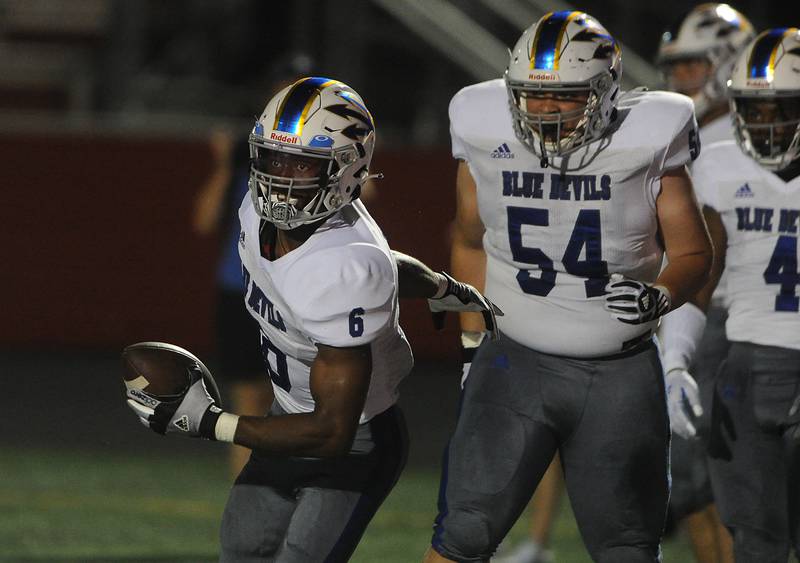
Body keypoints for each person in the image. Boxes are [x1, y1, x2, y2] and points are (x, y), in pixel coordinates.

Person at [126, 76, 499, 562]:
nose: (279, 178)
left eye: (301, 164)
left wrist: (211, 422)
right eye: (273, 158)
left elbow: (331, 432)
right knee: (240, 549)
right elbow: (389, 262)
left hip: (352, 443)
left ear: (347, 169)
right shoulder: (257, 212)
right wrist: (441, 287)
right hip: (288, 413)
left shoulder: (342, 264)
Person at [424, 11, 713, 563]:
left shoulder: (647, 135)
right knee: (461, 536)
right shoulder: (482, 125)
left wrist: (662, 294)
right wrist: (469, 346)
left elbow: (695, 252)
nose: (545, 110)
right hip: (512, 363)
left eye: (565, 97)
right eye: (531, 95)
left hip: (619, 375)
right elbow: (467, 240)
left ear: (606, 93)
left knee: (627, 548)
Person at [672, 27, 800, 562]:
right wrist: (674, 359)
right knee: (754, 540)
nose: (764, 123)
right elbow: (701, 274)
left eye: (778, 108)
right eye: (753, 108)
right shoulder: (721, 164)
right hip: (742, 367)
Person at [655, 5, 754, 562]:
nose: (681, 78)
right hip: (714, 313)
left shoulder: (721, 139)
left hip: (722, 315)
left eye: (694, 66)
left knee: (707, 479)